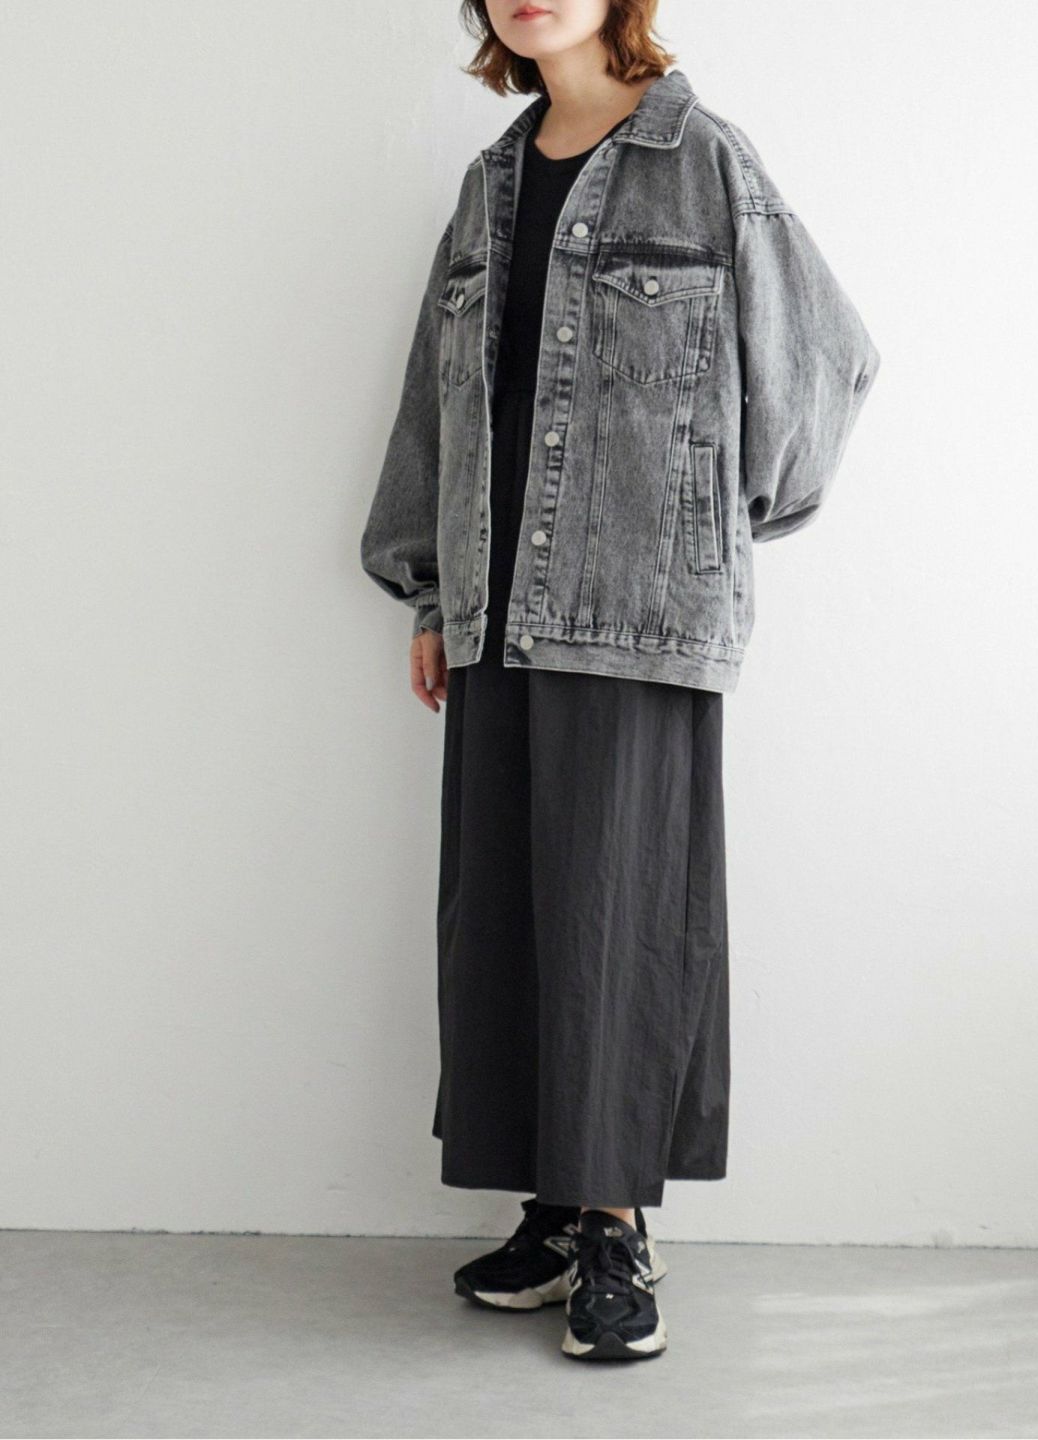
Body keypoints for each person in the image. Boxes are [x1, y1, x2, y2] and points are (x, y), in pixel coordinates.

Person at [360, 0, 880, 1362]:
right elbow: (437, 401)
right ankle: (551, 1212)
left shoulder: (701, 158)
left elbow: (828, 358)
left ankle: (616, 1226)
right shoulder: (489, 182)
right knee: (508, 913)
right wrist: (431, 590)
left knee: (621, 915)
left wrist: (705, 527)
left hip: (636, 614)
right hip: (493, 612)